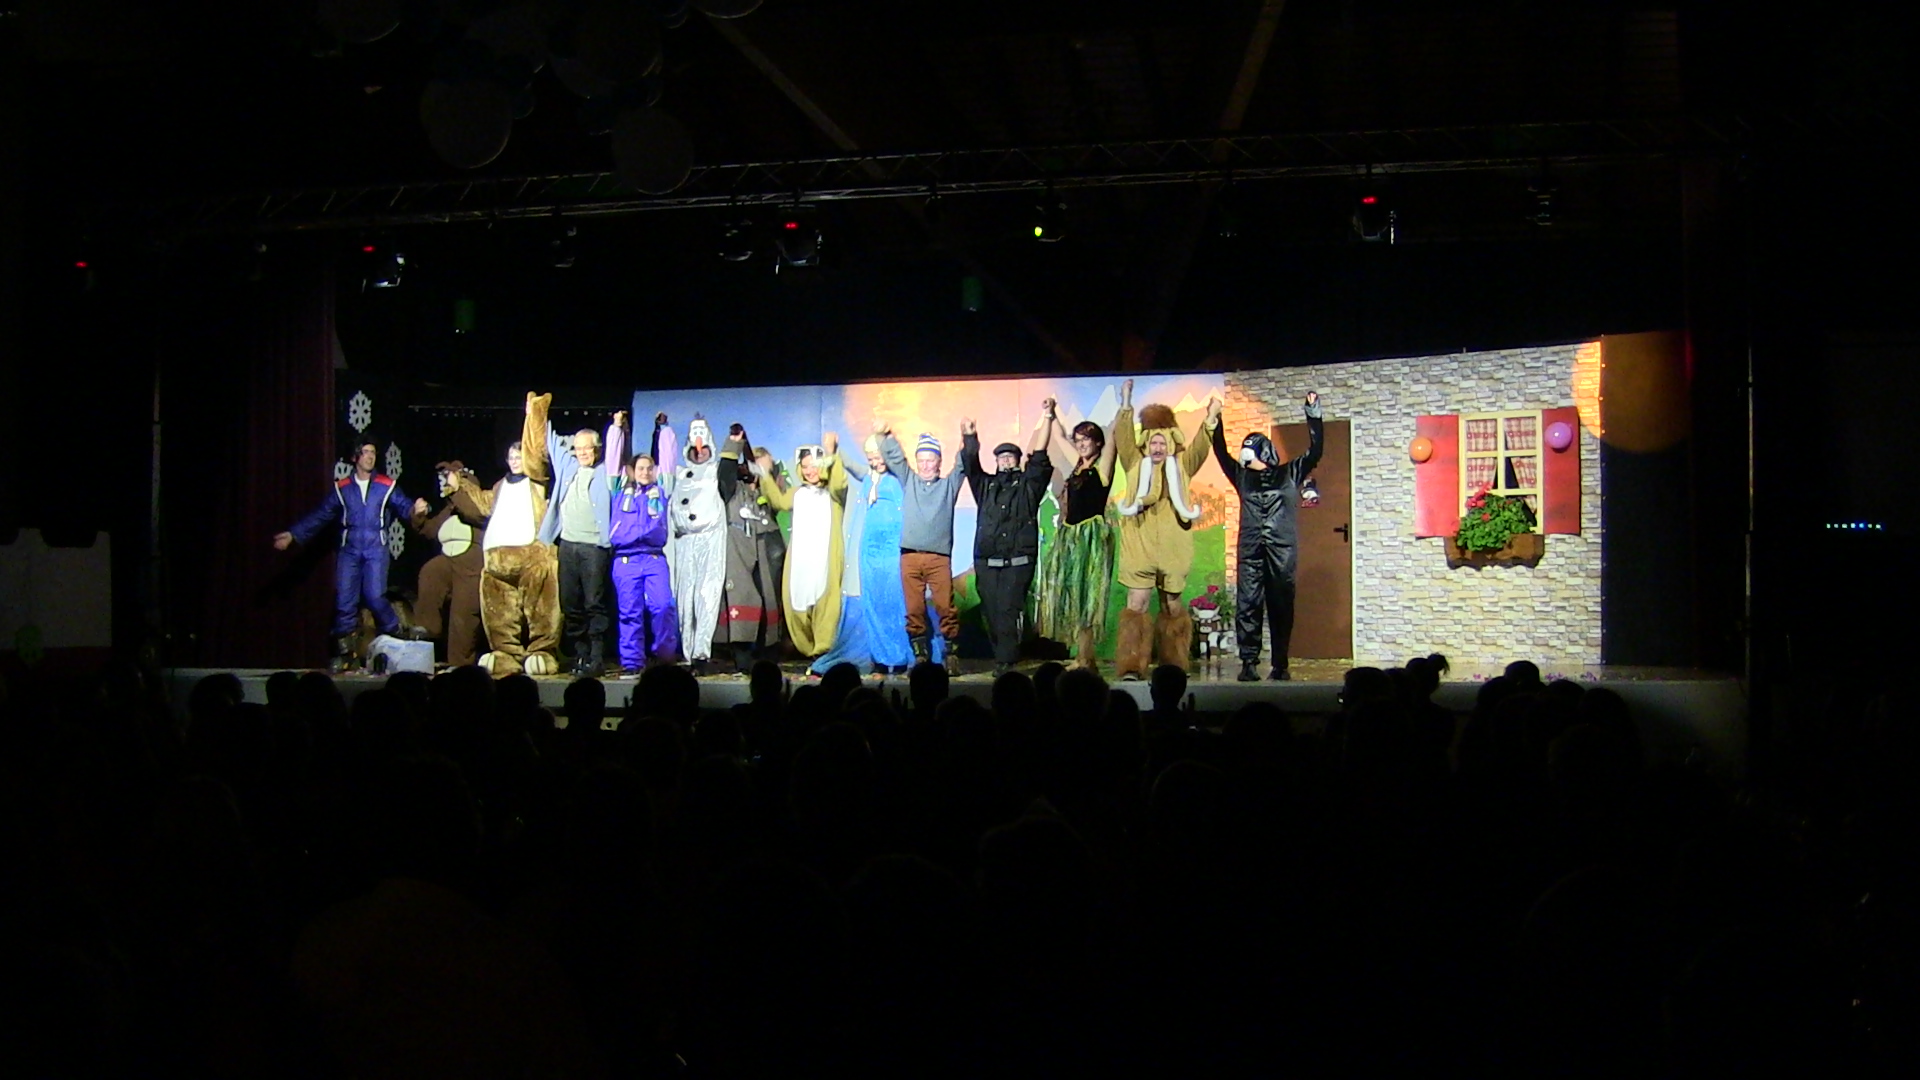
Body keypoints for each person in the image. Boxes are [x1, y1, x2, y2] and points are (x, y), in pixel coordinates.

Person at [1111, 384, 1222, 680]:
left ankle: (1172, 665)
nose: (1158, 448)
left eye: (1162, 443)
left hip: (1174, 549)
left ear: (1171, 443)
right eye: (1153, 443)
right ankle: (1131, 666)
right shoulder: (1134, 463)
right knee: (1136, 605)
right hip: (1140, 548)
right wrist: (1126, 403)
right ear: (1146, 444)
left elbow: (1201, 446)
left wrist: (1211, 417)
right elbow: (1123, 437)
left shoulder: (1182, 465)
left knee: (1171, 605)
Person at [447, 394, 562, 677]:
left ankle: (541, 650)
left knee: (540, 607)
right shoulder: (500, 486)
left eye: (518, 456)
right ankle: (506, 654)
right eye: (511, 457)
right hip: (496, 562)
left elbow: (536, 452)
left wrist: (533, 415)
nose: (515, 461)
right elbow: (481, 503)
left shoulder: (536, 482)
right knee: (498, 612)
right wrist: (460, 485)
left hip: (530, 558)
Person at [276, 439, 415, 673]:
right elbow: (321, 515)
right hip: (349, 550)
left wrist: (415, 509)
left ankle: (396, 632)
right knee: (344, 602)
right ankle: (345, 655)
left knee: (375, 596)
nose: (370, 457)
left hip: (375, 548)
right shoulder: (343, 488)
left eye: (373, 452)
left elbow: (404, 505)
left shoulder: (385, 484)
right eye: (365, 452)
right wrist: (294, 534)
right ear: (355, 457)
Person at [1213, 391, 1322, 681]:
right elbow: (1221, 452)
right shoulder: (1241, 476)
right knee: (1248, 603)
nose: (1246, 451)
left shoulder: (1291, 472)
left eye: (1252, 446)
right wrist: (1215, 421)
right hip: (1250, 548)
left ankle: (1280, 664)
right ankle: (1248, 662)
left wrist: (1313, 412)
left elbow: (1315, 451)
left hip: (1281, 548)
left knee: (1281, 603)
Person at [810, 419, 913, 676]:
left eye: (878, 456)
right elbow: (851, 465)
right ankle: (879, 656)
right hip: (870, 550)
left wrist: (887, 435)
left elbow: (897, 457)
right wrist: (834, 449)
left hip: (892, 550)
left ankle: (898, 655)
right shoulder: (869, 477)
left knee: (893, 600)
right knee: (873, 602)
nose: (875, 462)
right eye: (871, 458)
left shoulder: (900, 477)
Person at [963, 402, 1054, 677]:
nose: (1005, 460)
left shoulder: (1028, 486)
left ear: (1018, 460)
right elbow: (971, 465)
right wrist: (970, 436)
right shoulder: (986, 486)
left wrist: (1048, 417)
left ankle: (1007, 662)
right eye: (1001, 457)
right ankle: (1004, 658)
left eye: (1010, 456)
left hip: (1018, 561)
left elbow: (1040, 457)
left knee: (1007, 610)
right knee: (992, 613)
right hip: (988, 562)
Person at [1036, 385, 1122, 669]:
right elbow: (1060, 436)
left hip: (1091, 537)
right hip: (1069, 535)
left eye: (1087, 439)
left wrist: (1125, 402)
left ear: (1097, 443)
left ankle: (1086, 658)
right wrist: (1052, 411)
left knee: (1088, 596)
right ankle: (1081, 657)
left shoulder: (1102, 468)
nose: (1082, 444)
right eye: (1080, 440)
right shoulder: (1076, 464)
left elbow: (1113, 437)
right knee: (1071, 594)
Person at [536, 396, 619, 678]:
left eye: (587, 448)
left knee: (594, 603)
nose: (582, 453)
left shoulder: (606, 472)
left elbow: (618, 450)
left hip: (594, 547)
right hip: (568, 545)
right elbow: (549, 439)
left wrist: (617, 427)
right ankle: (580, 655)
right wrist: (537, 411)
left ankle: (596, 657)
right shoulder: (568, 467)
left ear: (597, 449)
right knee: (570, 603)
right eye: (578, 448)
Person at [756, 434, 849, 658]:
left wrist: (832, 454)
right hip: (801, 561)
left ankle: (823, 650)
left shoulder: (833, 495)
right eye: (805, 467)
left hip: (824, 560)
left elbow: (839, 483)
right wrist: (765, 475)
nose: (810, 471)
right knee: (798, 601)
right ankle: (807, 649)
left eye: (814, 466)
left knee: (825, 604)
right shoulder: (797, 493)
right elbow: (778, 500)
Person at [604, 413, 679, 674]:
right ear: (632, 472)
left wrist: (664, 429)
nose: (645, 472)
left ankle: (665, 657)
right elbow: (613, 458)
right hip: (625, 560)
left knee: (663, 607)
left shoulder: (662, 489)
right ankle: (632, 662)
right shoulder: (619, 489)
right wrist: (616, 428)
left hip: (654, 558)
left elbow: (668, 458)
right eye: (640, 468)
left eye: (649, 468)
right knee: (630, 613)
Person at [899, 428, 974, 674]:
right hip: (910, 556)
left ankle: (951, 655)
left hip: (938, 558)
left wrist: (969, 437)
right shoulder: (909, 481)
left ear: (939, 461)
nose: (925, 466)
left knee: (945, 607)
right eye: (921, 460)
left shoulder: (948, 486)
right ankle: (920, 657)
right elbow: (895, 458)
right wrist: (884, 435)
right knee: (914, 609)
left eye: (930, 460)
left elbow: (962, 464)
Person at [714, 426, 786, 672]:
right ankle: (742, 657)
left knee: (768, 601)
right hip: (739, 551)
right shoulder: (732, 492)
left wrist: (764, 476)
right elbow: (725, 472)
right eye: (752, 468)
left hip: (766, 550)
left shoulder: (768, 493)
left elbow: (779, 498)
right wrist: (735, 443)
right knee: (743, 599)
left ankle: (768, 656)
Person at [661, 414, 727, 674]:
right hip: (684, 541)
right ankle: (687, 651)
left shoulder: (716, 472)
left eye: (704, 445)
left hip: (709, 539)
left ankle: (701, 652)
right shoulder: (678, 475)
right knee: (684, 596)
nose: (700, 451)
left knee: (706, 595)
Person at [407, 461, 486, 667]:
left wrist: (458, 489)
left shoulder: (475, 502)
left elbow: (475, 514)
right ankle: (427, 627)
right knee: (431, 572)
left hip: (469, 566)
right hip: (449, 561)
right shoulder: (449, 509)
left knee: (463, 615)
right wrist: (419, 516)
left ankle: (460, 665)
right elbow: (430, 530)